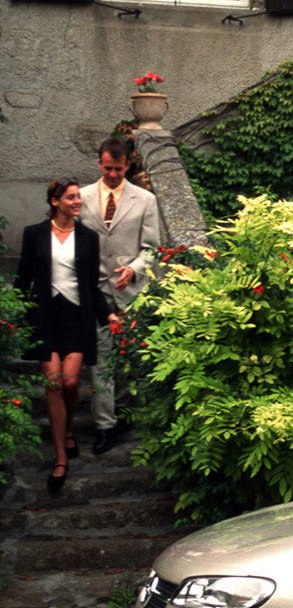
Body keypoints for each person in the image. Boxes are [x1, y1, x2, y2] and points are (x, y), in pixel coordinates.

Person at [16, 178, 116, 492]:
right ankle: (61, 456)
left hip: (77, 316)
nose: (78, 201)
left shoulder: (88, 237)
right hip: (45, 317)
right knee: (53, 384)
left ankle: (67, 428)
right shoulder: (33, 234)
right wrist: (14, 317)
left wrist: (108, 314)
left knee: (71, 382)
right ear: (55, 201)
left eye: (78, 197)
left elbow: (91, 285)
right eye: (71, 197)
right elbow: (22, 280)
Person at [79, 138, 160, 454]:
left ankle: (125, 413)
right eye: (107, 168)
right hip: (95, 291)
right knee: (99, 360)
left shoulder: (145, 200)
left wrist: (135, 268)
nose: (112, 174)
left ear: (128, 165)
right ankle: (104, 426)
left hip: (130, 292)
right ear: (99, 164)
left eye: (118, 168)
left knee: (129, 359)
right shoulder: (82, 197)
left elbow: (152, 247)